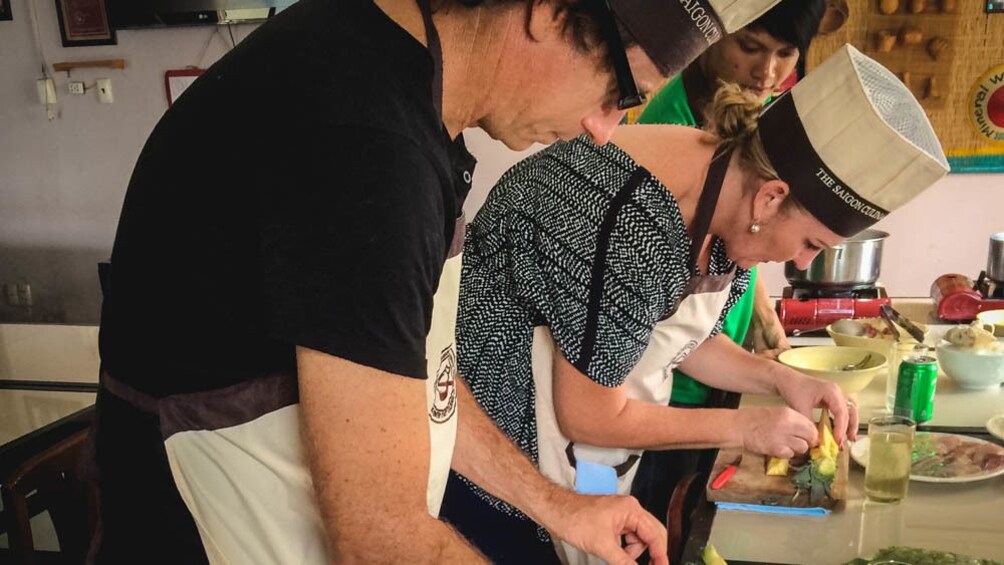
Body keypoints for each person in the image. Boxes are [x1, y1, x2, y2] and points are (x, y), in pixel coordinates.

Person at [89, 0, 788, 563]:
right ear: (547, 12)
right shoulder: (367, 141)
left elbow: (428, 384)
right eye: (618, 91)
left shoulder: (406, 94)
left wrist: (560, 505)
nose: (605, 128)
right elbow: (379, 536)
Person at [446, 44, 949, 564]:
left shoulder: (728, 198)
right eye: (810, 244)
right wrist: (744, 427)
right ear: (771, 198)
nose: (797, 263)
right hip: (495, 467)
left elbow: (681, 340)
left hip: (575, 464)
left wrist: (782, 379)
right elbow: (589, 417)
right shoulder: (626, 218)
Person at [629, 0, 825, 527]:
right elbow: (601, 403)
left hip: (682, 376)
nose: (768, 71)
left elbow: (686, 334)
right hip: (648, 405)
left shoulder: (737, 180)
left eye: (786, 54)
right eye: (751, 46)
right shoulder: (656, 193)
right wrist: (741, 427)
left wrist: (774, 369)